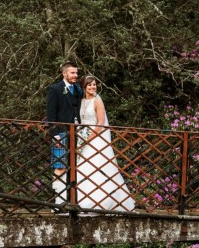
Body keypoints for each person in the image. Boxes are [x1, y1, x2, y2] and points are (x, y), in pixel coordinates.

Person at [76, 75, 136, 211]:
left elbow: (101, 122)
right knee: (84, 168)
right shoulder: (82, 101)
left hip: (96, 138)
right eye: (89, 85)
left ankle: (103, 202)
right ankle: (83, 200)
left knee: (97, 167)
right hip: (83, 136)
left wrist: (88, 138)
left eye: (94, 84)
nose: (93, 87)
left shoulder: (97, 100)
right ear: (84, 87)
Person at [46, 62, 81, 205]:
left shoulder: (78, 89)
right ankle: (58, 203)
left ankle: (72, 200)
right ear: (64, 73)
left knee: (75, 166)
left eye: (76, 73)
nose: (75, 76)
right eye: (72, 73)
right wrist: (55, 135)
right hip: (61, 133)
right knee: (59, 166)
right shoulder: (55, 89)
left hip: (77, 134)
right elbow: (51, 114)